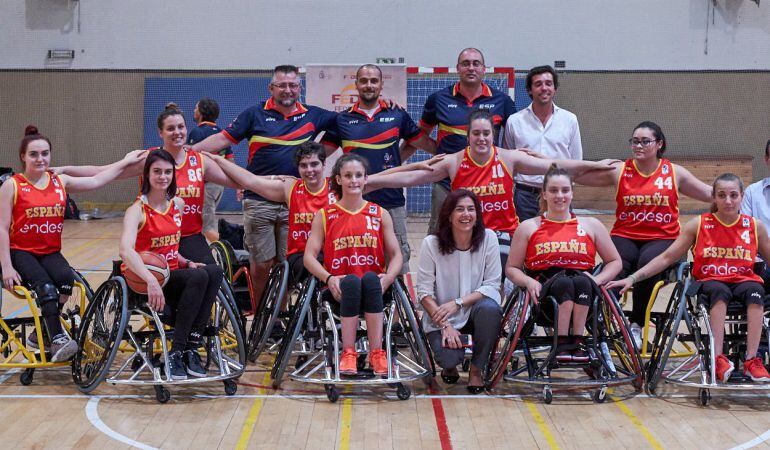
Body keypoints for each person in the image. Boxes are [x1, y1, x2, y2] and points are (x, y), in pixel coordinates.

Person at [367, 109, 614, 270]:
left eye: (486, 133)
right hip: (465, 235)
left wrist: (593, 163)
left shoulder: (508, 158)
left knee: (504, 273)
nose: (482, 138)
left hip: (503, 234)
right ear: (468, 136)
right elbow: (410, 178)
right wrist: (369, 181)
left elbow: (554, 164)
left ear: (493, 135)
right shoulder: (454, 161)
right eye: (476, 133)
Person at [191, 65, 338, 305]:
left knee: (287, 265)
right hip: (258, 201)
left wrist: (322, 154)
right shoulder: (254, 114)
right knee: (261, 265)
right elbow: (221, 139)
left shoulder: (314, 115)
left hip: (296, 203)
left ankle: (279, 315)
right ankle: (262, 316)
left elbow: (348, 124)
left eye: (292, 85)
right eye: (281, 85)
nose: (287, 90)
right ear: (271, 88)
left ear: (299, 88)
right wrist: (186, 152)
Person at [56, 104, 231, 298]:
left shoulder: (199, 160)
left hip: (189, 236)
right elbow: (102, 171)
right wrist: (64, 170)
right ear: (160, 132)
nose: (177, 132)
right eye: (171, 128)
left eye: (180, 127)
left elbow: (236, 180)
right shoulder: (148, 159)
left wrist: (268, 180)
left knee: (213, 275)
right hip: (155, 238)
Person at [608, 173, 770, 382]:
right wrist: (633, 278)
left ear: (741, 197)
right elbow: (667, 257)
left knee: (756, 291)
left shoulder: (755, 226)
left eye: (733, 195)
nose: (728, 201)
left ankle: (752, 361)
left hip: (743, 280)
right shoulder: (699, 224)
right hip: (711, 281)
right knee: (719, 292)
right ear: (714, 197)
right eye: (722, 195)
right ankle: (718, 357)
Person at [0, 125, 142, 361]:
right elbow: (2, 228)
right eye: (34, 154)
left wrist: (125, 161)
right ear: (23, 157)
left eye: (45, 153)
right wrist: (6, 266)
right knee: (45, 287)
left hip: (50, 252)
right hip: (20, 252)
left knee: (67, 281)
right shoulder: (12, 185)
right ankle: (57, 338)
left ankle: (42, 332)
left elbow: (97, 180)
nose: (40, 158)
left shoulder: (60, 181)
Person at [575, 121, 712, 347]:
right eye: (635, 141)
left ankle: (637, 324)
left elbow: (709, 194)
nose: (639, 146)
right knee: (616, 262)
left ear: (659, 144)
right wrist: (561, 165)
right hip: (626, 235)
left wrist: (737, 194)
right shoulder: (621, 170)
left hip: (664, 238)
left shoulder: (674, 172)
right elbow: (579, 177)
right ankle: (605, 312)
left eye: (645, 141)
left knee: (646, 264)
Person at [322, 64, 436, 273]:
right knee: (355, 262)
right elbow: (319, 154)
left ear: (381, 85)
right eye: (364, 81)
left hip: (392, 203)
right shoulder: (342, 120)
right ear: (356, 85)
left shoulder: (397, 115)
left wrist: (455, 156)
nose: (369, 85)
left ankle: (397, 305)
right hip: (353, 206)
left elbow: (422, 143)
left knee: (398, 261)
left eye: (374, 81)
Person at [120, 149, 221, 380]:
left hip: (171, 275)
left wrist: (186, 262)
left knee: (213, 271)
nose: (163, 177)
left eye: (168, 172)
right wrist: (150, 281)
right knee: (199, 278)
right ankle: (177, 352)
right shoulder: (136, 210)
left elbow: (170, 246)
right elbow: (126, 251)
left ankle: (191, 347)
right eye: (157, 172)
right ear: (146, 175)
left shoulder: (178, 204)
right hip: (144, 280)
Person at [506, 165, 622, 361]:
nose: (560, 196)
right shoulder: (528, 227)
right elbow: (511, 268)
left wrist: (598, 279)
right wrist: (528, 282)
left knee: (582, 281)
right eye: (553, 190)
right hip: (545, 292)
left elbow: (615, 261)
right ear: (543, 194)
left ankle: (576, 341)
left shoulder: (591, 225)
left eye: (565, 190)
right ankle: (561, 342)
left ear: (572, 193)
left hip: (584, 286)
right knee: (564, 282)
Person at [303, 153, 402, 376]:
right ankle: (349, 352)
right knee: (351, 282)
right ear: (338, 179)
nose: (353, 180)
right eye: (348, 176)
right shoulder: (325, 215)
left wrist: (388, 277)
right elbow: (308, 257)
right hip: (339, 289)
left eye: (358, 175)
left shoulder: (380, 213)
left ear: (366, 179)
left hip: (376, 289)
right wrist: (328, 278)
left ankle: (377, 352)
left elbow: (397, 255)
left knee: (368, 279)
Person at [421, 48, 516, 232]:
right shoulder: (438, 99)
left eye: (476, 64)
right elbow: (420, 135)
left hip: (485, 185)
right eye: (466, 64)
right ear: (458, 68)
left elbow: (513, 139)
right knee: (439, 234)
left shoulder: (502, 101)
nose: (471, 68)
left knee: (482, 234)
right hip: (446, 184)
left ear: (484, 68)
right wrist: (443, 155)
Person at [416, 189, 502, 393]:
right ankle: (451, 365)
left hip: (474, 312)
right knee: (447, 358)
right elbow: (424, 292)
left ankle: (476, 371)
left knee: (490, 309)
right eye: (460, 209)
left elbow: (492, 284)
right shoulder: (431, 244)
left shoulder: (488, 238)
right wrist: (445, 325)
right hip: (441, 317)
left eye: (471, 209)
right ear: (448, 215)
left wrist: (458, 303)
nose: (466, 215)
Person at [503, 65, 583, 221]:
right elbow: (509, 163)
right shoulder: (514, 121)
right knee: (525, 241)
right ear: (529, 90)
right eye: (538, 84)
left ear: (555, 89)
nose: (544, 88)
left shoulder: (570, 120)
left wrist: (565, 191)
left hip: (558, 194)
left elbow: (575, 161)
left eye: (548, 83)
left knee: (560, 242)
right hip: (524, 196)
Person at [187, 97, 234, 243]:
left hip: (206, 186)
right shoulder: (222, 133)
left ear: (201, 112)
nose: (194, 111)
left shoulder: (197, 132)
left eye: (196, 108)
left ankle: (231, 250)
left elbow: (190, 159)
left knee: (206, 228)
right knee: (204, 223)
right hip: (218, 186)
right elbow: (230, 159)